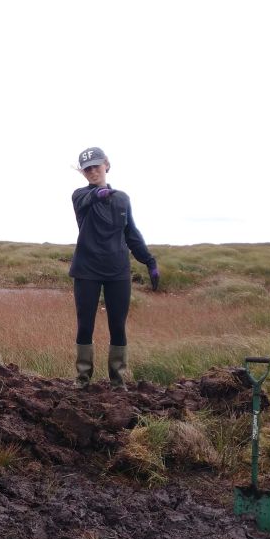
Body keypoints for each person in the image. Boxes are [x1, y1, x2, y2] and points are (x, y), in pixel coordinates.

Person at [69, 146, 159, 389]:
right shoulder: (79, 196)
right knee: (85, 324)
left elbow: (131, 233)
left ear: (106, 164)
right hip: (86, 269)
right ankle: (83, 378)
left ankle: (117, 381)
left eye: (96, 166)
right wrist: (97, 194)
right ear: (83, 172)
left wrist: (149, 261)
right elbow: (86, 200)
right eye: (87, 169)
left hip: (117, 270)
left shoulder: (122, 198)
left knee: (117, 325)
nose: (92, 171)